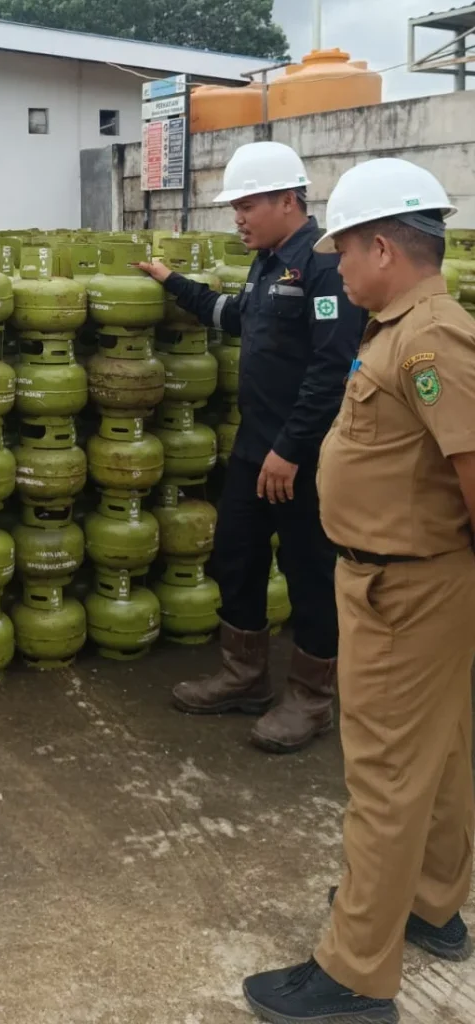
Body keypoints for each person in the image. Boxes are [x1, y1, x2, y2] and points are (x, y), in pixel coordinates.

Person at [243, 159, 475, 1023]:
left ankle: (353, 973)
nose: (336, 268)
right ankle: (433, 904)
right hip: (408, 580)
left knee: (381, 777)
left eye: (344, 250)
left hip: (405, 588)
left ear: (383, 246)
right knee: (441, 755)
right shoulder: (401, 328)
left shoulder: (430, 341)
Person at [139, 141, 367, 754]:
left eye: (247, 205)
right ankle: (244, 678)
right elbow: (232, 315)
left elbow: (334, 367)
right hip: (255, 449)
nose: (237, 218)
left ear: (288, 199)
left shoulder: (324, 268)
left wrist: (291, 450)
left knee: (309, 573)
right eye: (235, 206)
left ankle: (312, 700)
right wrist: (171, 281)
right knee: (235, 557)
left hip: (303, 458)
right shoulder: (268, 265)